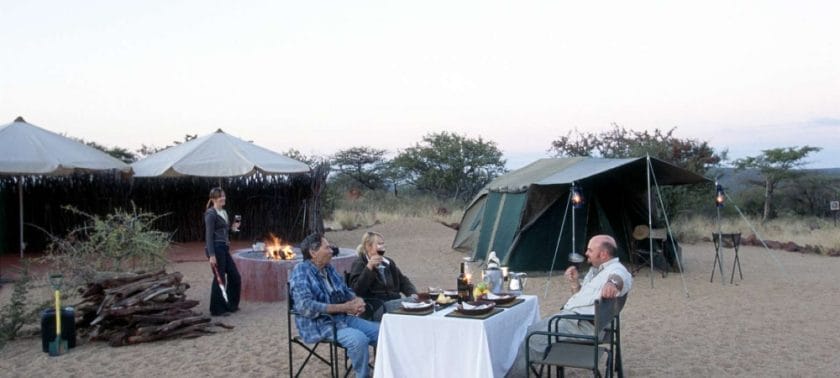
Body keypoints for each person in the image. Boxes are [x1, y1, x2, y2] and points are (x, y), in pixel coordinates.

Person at [507, 234, 633, 377]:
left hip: (582, 326)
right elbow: (582, 298)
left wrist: (612, 284)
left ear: (603, 254)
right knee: (527, 331)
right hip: (576, 320)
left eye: (590, 250)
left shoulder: (616, 269)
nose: (586, 253)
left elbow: (619, 277)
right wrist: (574, 283)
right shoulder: (596, 270)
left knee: (531, 338)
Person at [290, 233, 379, 378]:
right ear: (313, 253)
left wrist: (357, 300)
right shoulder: (301, 271)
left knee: (382, 332)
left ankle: (384, 372)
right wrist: (345, 307)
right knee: (359, 340)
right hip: (320, 324)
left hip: (341, 319)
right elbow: (306, 306)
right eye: (327, 247)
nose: (332, 250)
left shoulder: (328, 269)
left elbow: (345, 291)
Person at [347, 231, 417, 321]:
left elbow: (403, 281)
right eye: (379, 244)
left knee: (419, 303)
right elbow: (356, 290)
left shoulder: (388, 262)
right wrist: (369, 268)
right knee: (413, 304)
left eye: (383, 244)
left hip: (392, 301)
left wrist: (413, 294)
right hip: (375, 307)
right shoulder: (360, 264)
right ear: (368, 246)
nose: (382, 247)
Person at [204, 187, 242, 317]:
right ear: (214, 199)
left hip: (224, 248)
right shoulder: (211, 214)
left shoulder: (224, 213)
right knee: (220, 279)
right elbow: (208, 236)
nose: (224, 198)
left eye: (224, 195)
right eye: (221, 196)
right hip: (216, 248)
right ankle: (217, 309)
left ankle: (231, 305)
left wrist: (233, 228)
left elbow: (225, 232)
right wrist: (212, 255)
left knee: (235, 276)